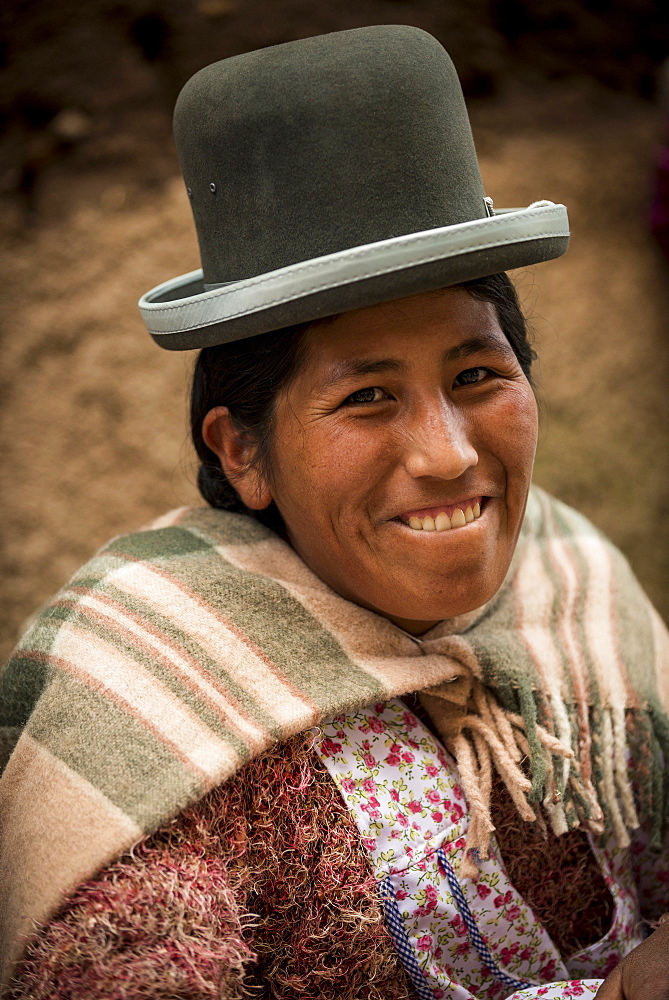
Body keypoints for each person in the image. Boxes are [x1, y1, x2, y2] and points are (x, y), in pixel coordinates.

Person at [1, 24, 668, 1000]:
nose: (447, 453)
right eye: (367, 397)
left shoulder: (576, 579)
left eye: (477, 373)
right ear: (242, 450)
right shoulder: (143, 696)